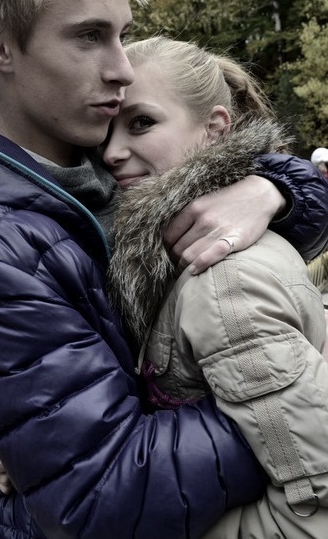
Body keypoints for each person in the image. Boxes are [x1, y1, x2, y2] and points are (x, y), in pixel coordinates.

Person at [0, 0, 327, 537]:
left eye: (121, 34)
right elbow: (101, 496)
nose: (122, 68)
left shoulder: (96, 166)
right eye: (89, 36)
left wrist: (274, 188)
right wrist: (299, 399)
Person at [104, 36, 328, 538]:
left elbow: (315, 509)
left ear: (215, 127)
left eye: (141, 123)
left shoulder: (225, 281)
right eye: (106, 129)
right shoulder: (164, 251)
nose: (112, 152)